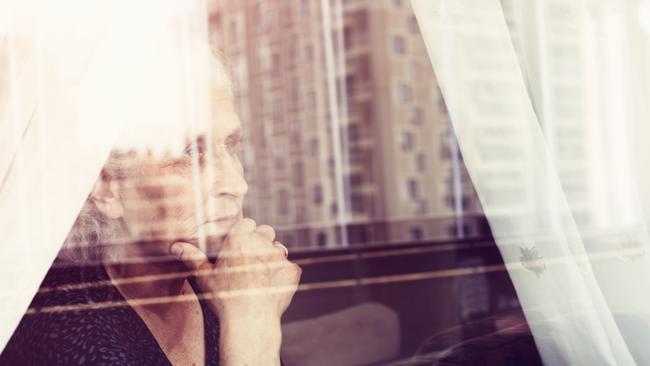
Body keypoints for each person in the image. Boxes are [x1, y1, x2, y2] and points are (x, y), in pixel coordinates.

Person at [0, 46, 301, 366]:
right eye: (191, 153)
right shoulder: (69, 339)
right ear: (106, 186)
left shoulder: (218, 281)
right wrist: (251, 327)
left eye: (229, 145)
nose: (237, 185)